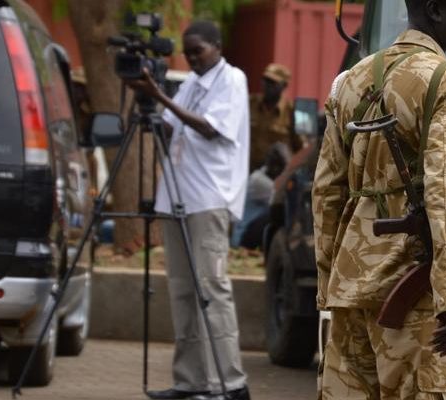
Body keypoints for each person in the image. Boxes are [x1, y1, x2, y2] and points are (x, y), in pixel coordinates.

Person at [312, 0, 446, 399]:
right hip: (415, 296)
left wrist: (329, 284)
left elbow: (326, 192)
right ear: (435, 10)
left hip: (352, 288)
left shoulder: (352, 78)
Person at [124, 20, 251, 400]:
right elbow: (165, 128)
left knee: (211, 290)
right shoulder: (192, 84)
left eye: (198, 50)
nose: (192, 58)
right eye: (188, 52)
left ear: (217, 45)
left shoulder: (232, 79)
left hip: (210, 200)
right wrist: (144, 98)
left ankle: (231, 384)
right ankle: (190, 382)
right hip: (177, 199)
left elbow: (211, 129)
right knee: (181, 291)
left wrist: (160, 97)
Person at [230, 142, 290, 249]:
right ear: (276, 167)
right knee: (279, 211)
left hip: (253, 232)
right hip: (244, 236)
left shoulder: (267, 178)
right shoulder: (258, 181)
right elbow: (285, 198)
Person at [248, 63, 301, 171]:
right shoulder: (250, 104)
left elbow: (301, 148)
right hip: (247, 170)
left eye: (273, 82)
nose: (267, 85)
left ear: (284, 86)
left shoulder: (291, 111)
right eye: (265, 80)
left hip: (275, 176)